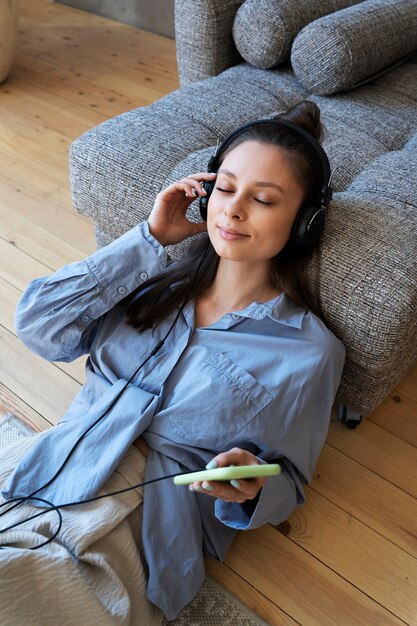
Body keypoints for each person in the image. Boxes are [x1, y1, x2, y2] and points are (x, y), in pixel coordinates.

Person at [0, 100, 345, 625]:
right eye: (225, 188)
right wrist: (150, 239)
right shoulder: (149, 282)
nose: (232, 210)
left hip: (136, 529)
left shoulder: (308, 351)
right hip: (46, 472)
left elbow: (289, 479)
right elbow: (40, 325)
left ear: (303, 224)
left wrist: (251, 487)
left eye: (264, 200)